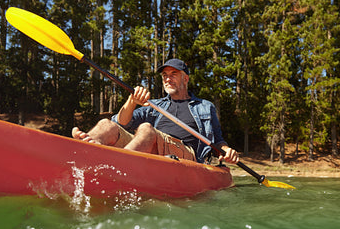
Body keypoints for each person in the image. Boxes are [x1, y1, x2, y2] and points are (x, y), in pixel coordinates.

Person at [72, 58, 239, 164]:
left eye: (174, 74)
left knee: (146, 129)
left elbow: (218, 140)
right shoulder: (155, 105)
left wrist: (227, 151)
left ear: (185, 79)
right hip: (152, 149)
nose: (167, 78)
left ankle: (115, 165)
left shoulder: (205, 106)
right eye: (165, 75)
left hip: (186, 154)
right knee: (106, 124)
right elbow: (121, 123)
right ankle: (80, 154)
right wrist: (132, 102)